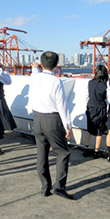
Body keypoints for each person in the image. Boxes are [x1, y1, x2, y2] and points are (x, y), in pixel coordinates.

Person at [30, 51, 73, 200]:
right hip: (52, 119)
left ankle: (45, 187)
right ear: (56, 65)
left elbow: (35, 74)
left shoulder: (35, 78)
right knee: (63, 152)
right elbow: (62, 105)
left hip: (38, 118)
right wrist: (68, 125)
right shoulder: (56, 82)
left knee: (42, 154)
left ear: (42, 63)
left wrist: (35, 68)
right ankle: (59, 187)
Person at [83, 65, 109, 159]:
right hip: (100, 108)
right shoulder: (105, 84)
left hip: (91, 107)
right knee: (99, 131)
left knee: (89, 129)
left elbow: (87, 96)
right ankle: (96, 151)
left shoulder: (90, 82)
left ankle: (86, 148)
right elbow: (107, 99)